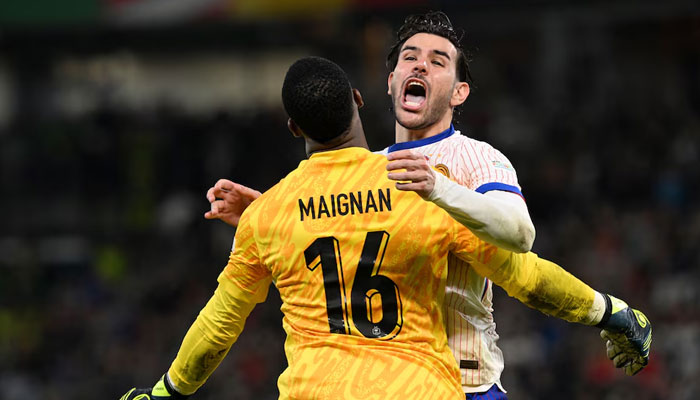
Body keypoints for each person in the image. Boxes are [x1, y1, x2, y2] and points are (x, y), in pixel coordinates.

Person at [122, 56, 650, 400]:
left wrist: (167, 391)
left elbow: (219, 328)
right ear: (357, 98)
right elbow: (524, 278)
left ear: (293, 128)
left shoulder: (267, 217)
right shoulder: (422, 188)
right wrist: (610, 311)